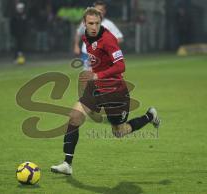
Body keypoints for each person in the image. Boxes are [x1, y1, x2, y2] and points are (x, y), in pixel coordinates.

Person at [51, 7, 160, 175]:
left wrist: (98, 75)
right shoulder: (85, 37)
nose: (94, 27)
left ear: (100, 22)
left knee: (119, 132)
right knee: (74, 116)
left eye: (96, 23)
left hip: (116, 91)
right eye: (90, 23)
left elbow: (121, 65)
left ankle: (149, 116)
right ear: (84, 24)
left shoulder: (108, 39)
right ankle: (67, 163)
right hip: (95, 88)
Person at [73, 0, 123, 70]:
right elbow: (78, 33)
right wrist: (76, 45)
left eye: (101, 10)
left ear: (104, 11)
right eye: (97, 10)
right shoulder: (86, 22)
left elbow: (119, 38)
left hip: (102, 56)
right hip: (87, 54)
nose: (99, 12)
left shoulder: (109, 24)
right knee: (88, 77)